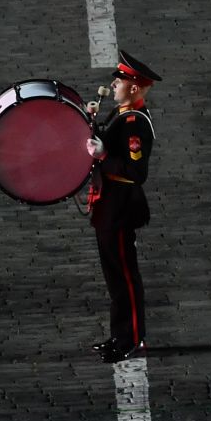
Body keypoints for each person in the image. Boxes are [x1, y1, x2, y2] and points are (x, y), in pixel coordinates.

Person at [88, 52, 161, 363]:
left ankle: (132, 339)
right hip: (108, 207)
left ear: (133, 88)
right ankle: (120, 335)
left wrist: (104, 156)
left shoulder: (135, 123)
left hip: (120, 208)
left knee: (124, 277)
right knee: (113, 277)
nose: (114, 85)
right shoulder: (121, 113)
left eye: (119, 82)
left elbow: (136, 172)